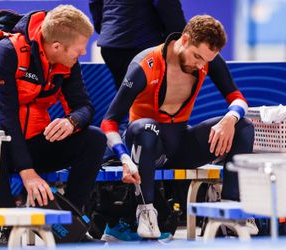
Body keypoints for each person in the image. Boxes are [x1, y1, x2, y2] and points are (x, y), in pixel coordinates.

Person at [101, 15, 254, 239]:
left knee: (244, 126)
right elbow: (109, 121)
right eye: (197, 56)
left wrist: (230, 119)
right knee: (146, 129)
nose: (201, 65)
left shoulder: (208, 60)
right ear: (185, 39)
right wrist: (124, 158)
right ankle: (145, 211)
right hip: (147, 146)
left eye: (206, 61)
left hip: (180, 143)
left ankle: (229, 212)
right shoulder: (145, 64)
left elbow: (238, 98)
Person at [0, 4, 107, 243]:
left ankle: (68, 223)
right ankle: (8, 226)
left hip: (34, 142)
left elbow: (85, 107)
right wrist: (27, 172)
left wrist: (72, 122)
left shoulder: (67, 61)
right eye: (79, 48)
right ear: (56, 46)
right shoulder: (6, 53)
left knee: (94, 138)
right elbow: (6, 118)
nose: (83, 52)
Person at [89, 0, 186, 89]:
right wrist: (178, 37)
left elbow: (94, 3)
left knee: (125, 97)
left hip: (112, 47)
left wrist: (108, 29)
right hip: (142, 45)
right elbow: (167, 5)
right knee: (146, 99)